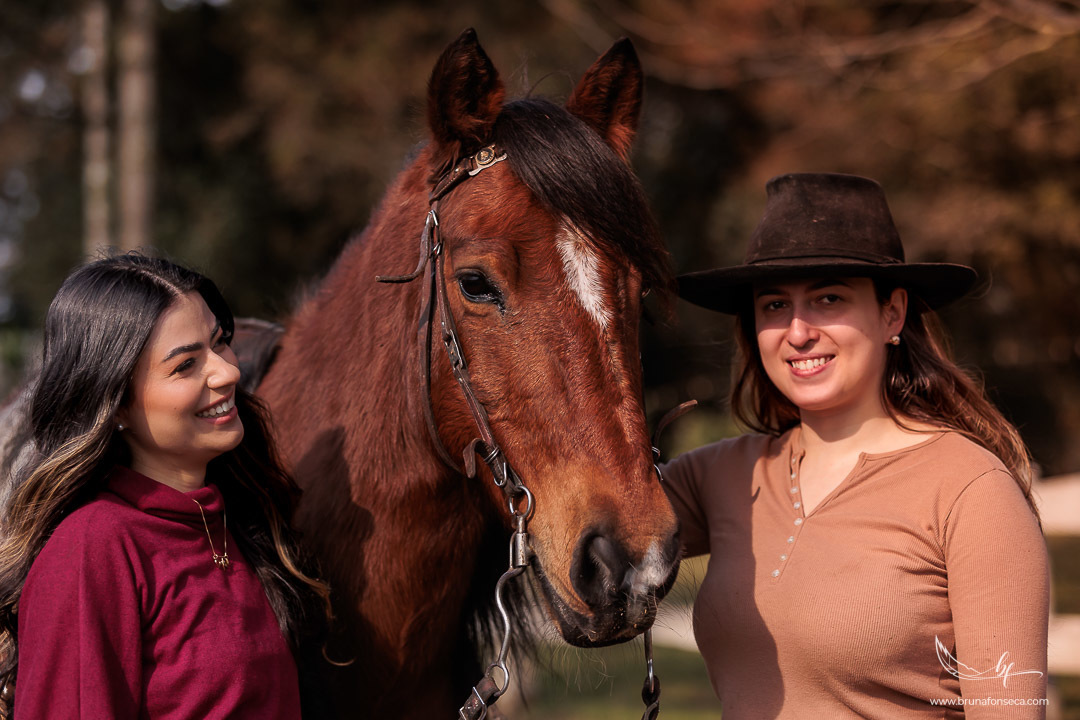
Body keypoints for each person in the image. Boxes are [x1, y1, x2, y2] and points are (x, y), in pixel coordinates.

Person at [665, 173, 1049, 718]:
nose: (798, 332)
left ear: (892, 312)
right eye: (774, 305)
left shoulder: (971, 491)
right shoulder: (718, 476)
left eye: (828, 298)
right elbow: (566, 520)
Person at [0, 253, 330, 718]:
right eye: (185, 365)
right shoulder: (91, 549)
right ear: (116, 405)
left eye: (220, 343)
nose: (229, 372)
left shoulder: (237, 522)